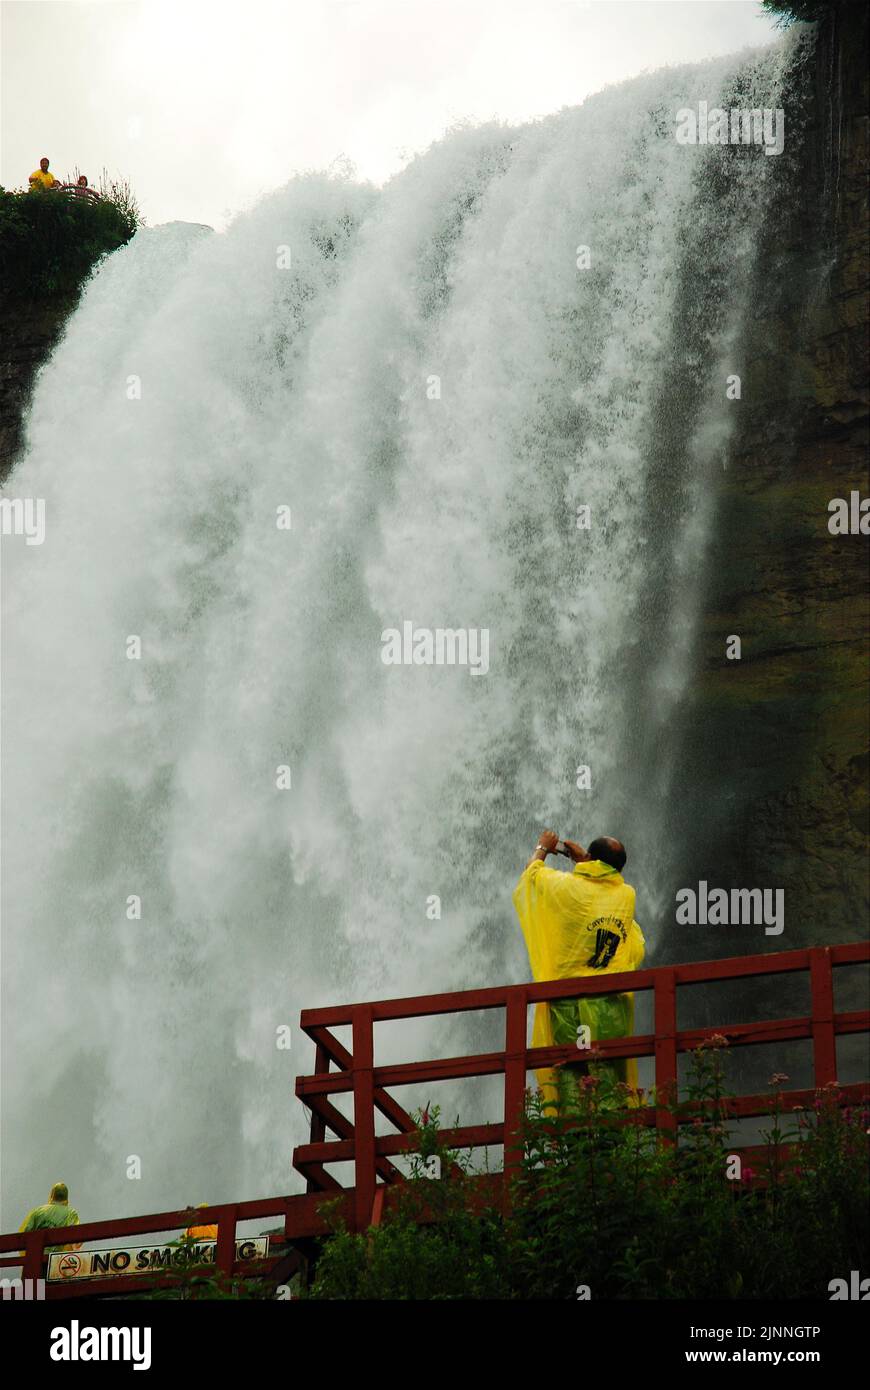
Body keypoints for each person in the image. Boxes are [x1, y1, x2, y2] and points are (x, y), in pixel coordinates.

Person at [513, 829, 645, 1112]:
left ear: (591, 860)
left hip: (568, 1004)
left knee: (572, 1070)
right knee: (608, 1069)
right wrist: (584, 861)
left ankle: (577, 1140)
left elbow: (531, 876)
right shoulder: (626, 895)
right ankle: (612, 1139)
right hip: (610, 1006)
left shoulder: (567, 888)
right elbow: (599, 889)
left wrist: (543, 848)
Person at [18, 1182, 82, 1252]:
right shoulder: (70, 1213)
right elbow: (77, 1240)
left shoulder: (38, 1211)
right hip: (56, 1258)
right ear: (66, 1197)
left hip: (38, 1257)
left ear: (52, 1195)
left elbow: (25, 1235)